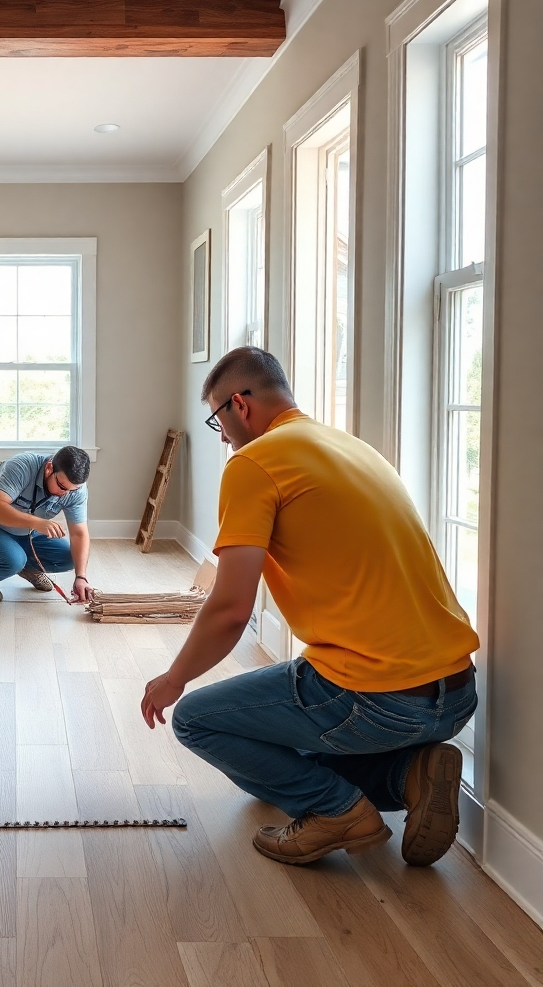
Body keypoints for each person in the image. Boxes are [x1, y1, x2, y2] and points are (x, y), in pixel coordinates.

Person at [140, 346, 478, 867]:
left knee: (197, 720)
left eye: (217, 421)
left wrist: (173, 678)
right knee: (285, 751)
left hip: (378, 699)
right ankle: (410, 775)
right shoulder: (352, 447)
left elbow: (232, 608)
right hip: (455, 694)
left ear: (239, 405)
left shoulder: (254, 462)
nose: (224, 436)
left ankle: (335, 810)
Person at [0, 446, 94, 603]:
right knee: (13, 560)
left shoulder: (75, 489)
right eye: (62, 487)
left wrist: (81, 577)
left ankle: (28, 568)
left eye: (73, 490)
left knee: (69, 558)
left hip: (24, 530)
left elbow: (79, 533)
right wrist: (36, 522)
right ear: (49, 468)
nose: (65, 494)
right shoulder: (21, 466)